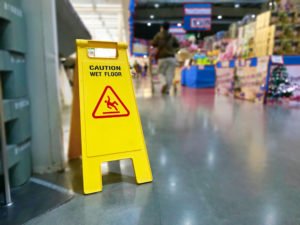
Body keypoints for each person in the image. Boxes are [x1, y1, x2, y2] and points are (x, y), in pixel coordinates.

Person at [152, 22, 179, 94]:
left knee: (160, 72)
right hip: (171, 57)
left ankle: (163, 83)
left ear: (162, 27)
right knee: (170, 74)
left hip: (162, 57)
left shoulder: (158, 35)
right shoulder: (172, 36)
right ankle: (167, 90)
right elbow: (178, 45)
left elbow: (153, 43)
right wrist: (174, 50)